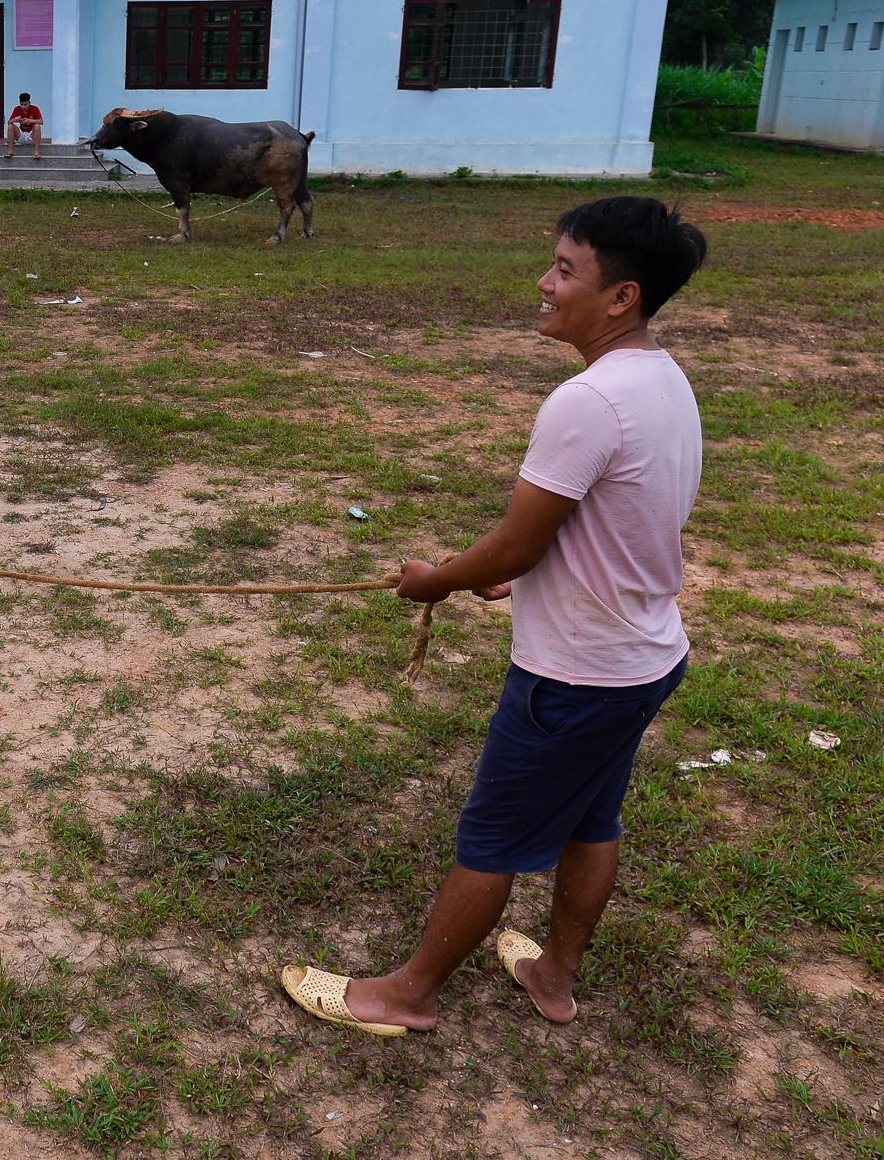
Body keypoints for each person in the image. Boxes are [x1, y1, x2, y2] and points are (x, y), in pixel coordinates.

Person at [279, 196, 708, 1036]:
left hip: (575, 678)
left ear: (621, 296)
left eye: (564, 270)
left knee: (493, 837)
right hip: (644, 658)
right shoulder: (661, 376)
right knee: (592, 816)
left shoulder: (587, 402)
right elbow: (618, 522)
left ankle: (407, 994)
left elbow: (514, 545)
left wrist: (435, 579)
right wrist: (539, 574)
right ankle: (554, 974)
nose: (543, 283)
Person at [4, 93, 44, 160]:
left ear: (29, 103)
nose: (23, 107)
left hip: (32, 136)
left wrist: (30, 121)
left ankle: (36, 151)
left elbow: (41, 121)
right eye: (21, 104)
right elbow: (9, 122)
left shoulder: (35, 108)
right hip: (21, 135)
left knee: (37, 126)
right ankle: (10, 150)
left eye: (25, 104)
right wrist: (15, 119)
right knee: (11, 126)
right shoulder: (17, 109)